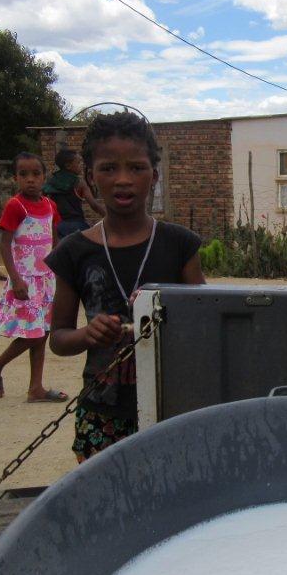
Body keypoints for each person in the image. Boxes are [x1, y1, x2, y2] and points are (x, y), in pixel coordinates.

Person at [45, 112, 204, 462]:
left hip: (173, 406)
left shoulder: (180, 245)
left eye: (136, 168)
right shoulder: (73, 252)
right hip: (102, 413)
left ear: (154, 175)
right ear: (88, 177)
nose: (122, 180)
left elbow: (204, 325)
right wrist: (88, 334)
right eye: (107, 168)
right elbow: (58, 338)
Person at [0, 152, 69, 403]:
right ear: (15, 178)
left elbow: (55, 239)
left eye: (36, 174)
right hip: (25, 280)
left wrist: (62, 269)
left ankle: (36, 389)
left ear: (44, 177)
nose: (30, 179)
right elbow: (5, 244)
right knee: (35, 333)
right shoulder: (15, 206)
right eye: (23, 174)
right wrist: (16, 279)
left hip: (46, 279)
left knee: (42, 331)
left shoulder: (51, 205)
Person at [43, 148, 105, 241]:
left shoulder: (51, 182)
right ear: (68, 166)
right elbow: (94, 205)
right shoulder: (79, 183)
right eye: (79, 162)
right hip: (77, 226)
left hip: (57, 227)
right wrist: (110, 217)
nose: (81, 165)